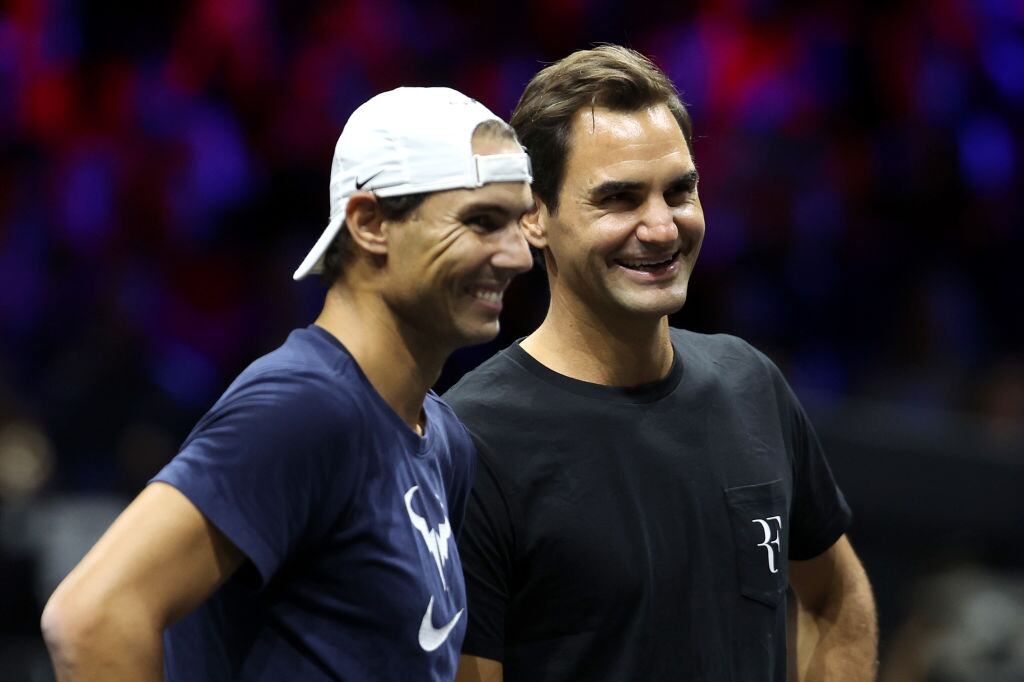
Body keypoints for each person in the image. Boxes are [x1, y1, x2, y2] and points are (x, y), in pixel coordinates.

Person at [40, 86, 535, 682]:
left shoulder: (443, 438)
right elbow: (91, 617)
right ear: (371, 222)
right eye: (482, 221)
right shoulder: (304, 407)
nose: (518, 256)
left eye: (518, 222)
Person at [445, 46, 878, 682]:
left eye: (679, 191)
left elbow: (834, 595)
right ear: (533, 216)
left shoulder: (750, 383)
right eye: (619, 199)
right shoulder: (469, 441)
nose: (661, 228)